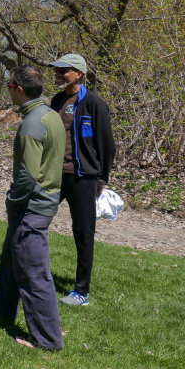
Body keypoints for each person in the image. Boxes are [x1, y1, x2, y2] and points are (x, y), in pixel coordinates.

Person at [0, 66, 64, 350]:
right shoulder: (50, 115)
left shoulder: (31, 124)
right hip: (38, 203)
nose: (8, 88)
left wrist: (12, 200)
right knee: (11, 260)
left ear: (18, 89)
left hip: (32, 207)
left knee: (34, 273)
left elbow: (28, 176)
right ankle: (2, 309)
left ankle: (47, 339)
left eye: (9, 84)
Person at [49, 54, 115, 306]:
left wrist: (102, 177)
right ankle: (13, 271)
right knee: (31, 219)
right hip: (55, 176)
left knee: (83, 233)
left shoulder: (94, 103)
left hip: (83, 179)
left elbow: (107, 144)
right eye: (57, 70)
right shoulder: (57, 100)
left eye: (63, 70)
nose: (57, 74)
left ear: (79, 74)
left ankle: (81, 291)